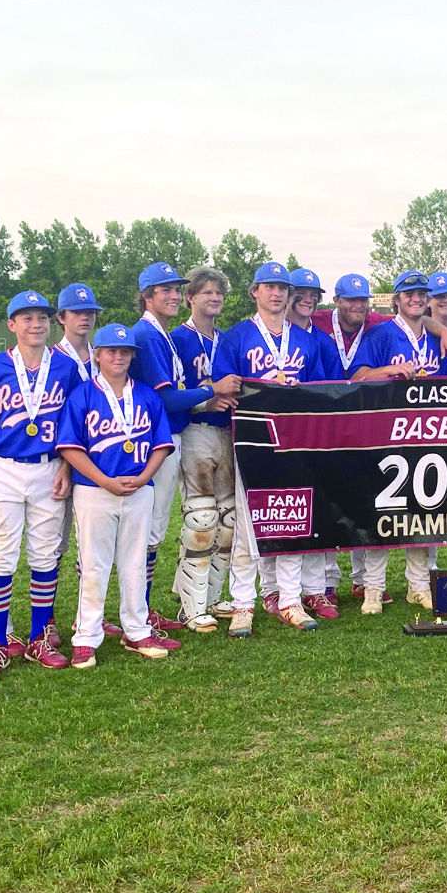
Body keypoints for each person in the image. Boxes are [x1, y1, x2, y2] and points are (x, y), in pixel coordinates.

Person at [0, 291, 81, 680]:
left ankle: (37, 639)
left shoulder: (65, 367)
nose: (36, 324)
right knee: (0, 555)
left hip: (49, 466)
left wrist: (65, 466)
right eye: (26, 318)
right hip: (6, 468)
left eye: (42, 318)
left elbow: (74, 424)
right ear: (12, 325)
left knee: (45, 555)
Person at [213, 261, 326, 635]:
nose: (276, 293)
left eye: (282, 288)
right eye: (268, 287)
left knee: (293, 519)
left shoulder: (306, 339)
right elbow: (223, 386)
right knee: (247, 527)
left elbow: (322, 391)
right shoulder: (236, 336)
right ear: (255, 292)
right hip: (253, 439)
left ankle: (290, 600)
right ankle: (243, 603)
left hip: (295, 441)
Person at [57, 323, 178, 667]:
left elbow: (161, 444)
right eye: (111, 351)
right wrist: (105, 481)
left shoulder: (147, 395)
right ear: (97, 355)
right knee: (94, 565)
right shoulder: (83, 394)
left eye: (125, 351)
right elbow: (70, 447)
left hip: (139, 489)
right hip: (95, 490)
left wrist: (143, 477)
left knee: (134, 563)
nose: (119, 357)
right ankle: (86, 636)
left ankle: (136, 630)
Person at [349, 270, 447, 613]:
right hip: (387, 434)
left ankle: (418, 586)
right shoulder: (380, 333)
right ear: (397, 299)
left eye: (421, 293)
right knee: (384, 512)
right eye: (409, 293)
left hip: (429, 434)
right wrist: (388, 372)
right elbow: (356, 376)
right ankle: (373, 589)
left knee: (423, 514)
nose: (416, 298)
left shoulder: (438, 337)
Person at [130, 262, 221, 633]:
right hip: (156, 440)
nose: (171, 295)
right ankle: (138, 610)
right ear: (147, 296)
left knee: (152, 532)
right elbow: (165, 400)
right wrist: (211, 391)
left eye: (174, 289)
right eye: (163, 290)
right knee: (148, 532)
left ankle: (142, 607)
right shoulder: (148, 334)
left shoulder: (159, 333)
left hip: (166, 438)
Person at [170, 266, 242, 629]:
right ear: (190, 298)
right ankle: (191, 606)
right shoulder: (176, 339)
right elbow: (169, 396)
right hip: (196, 431)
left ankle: (212, 598)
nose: (214, 298)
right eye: (207, 292)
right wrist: (204, 401)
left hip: (227, 434)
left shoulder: (228, 339)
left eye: (219, 293)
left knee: (229, 521)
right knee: (201, 519)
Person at [310, 271, 387, 607]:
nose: (358, 306)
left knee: (363, 498)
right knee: (327, 500)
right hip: (324, 422)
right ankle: (327, 581)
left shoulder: (377, 323)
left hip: (362, 424)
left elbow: (419, 317)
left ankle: (361, 581)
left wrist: (442, 330)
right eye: (351, 300)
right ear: (336, 301)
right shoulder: (317, 320)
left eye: (363, 300)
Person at [284, 266, 343, 621]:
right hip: (272, 435)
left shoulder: (319, 339)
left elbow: (331, 386)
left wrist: (439, 327)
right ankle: (275, 592)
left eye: (313, 294)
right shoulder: (258, 333)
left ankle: (315, 590)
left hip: (311, 434)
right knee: (275, 512)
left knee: (314, 509)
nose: (307, 299)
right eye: (300, 293)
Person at [51, 282, 109, 633]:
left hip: (98, 464)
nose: (85, 318)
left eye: (90, 313)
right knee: (54, 545)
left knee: (92, 546)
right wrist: (64, 464)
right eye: (77, 312)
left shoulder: (104, 356)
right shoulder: (51, 359)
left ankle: (87, 617)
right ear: (61, 318)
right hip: (62, 462)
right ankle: (49, 617)